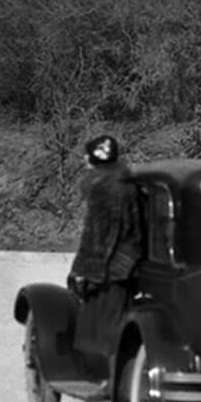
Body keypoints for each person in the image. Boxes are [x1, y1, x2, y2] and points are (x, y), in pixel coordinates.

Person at [66, 134, 143, 359]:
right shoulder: (129, 183)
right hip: (129, 266)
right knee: (119, 322)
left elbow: (98, 236)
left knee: (101, 330)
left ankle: (99, 371)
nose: (84, 160)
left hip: (108, 271)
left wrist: (82, 271)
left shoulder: (102, 188)